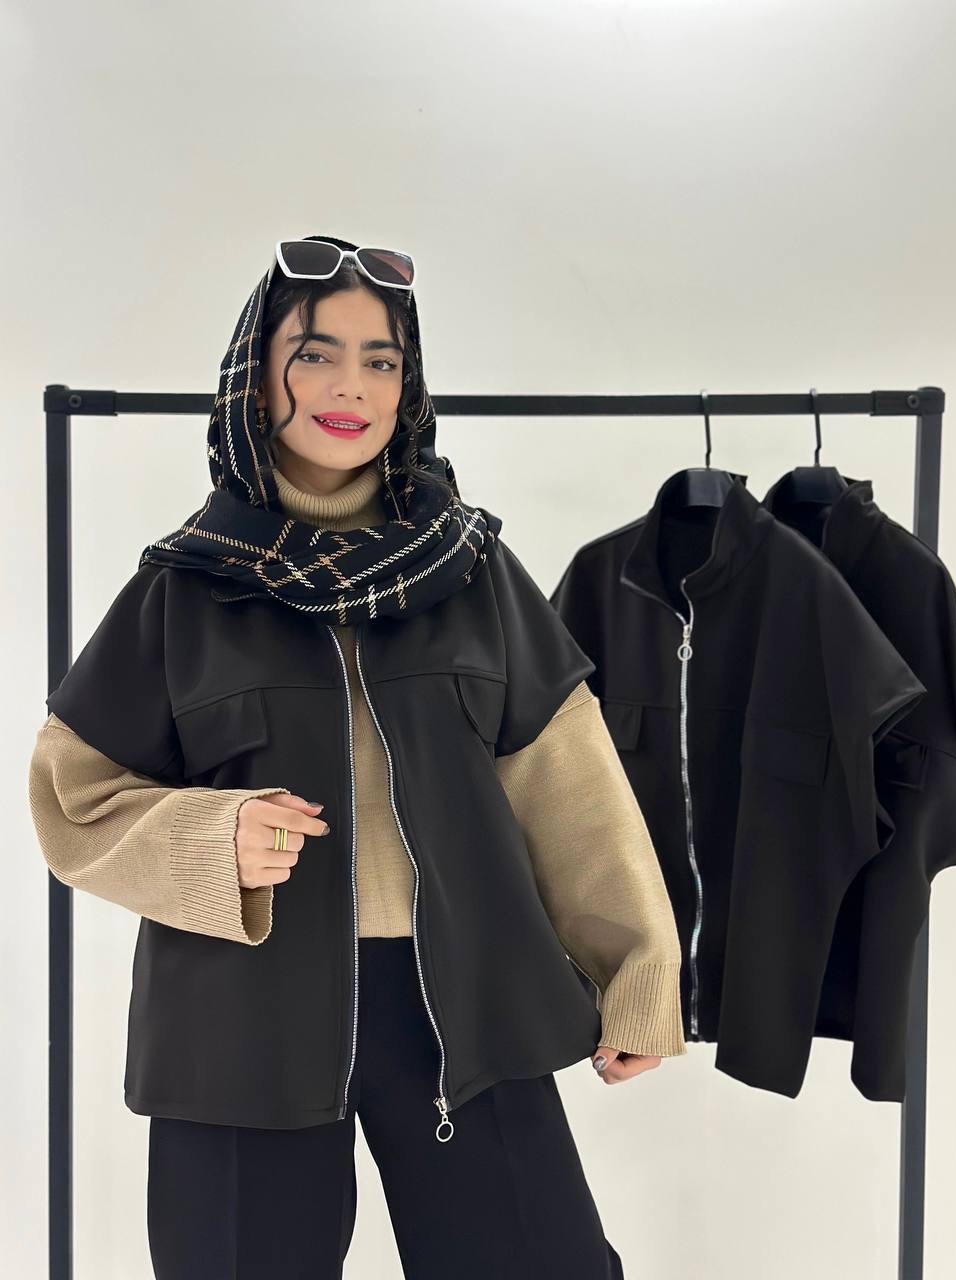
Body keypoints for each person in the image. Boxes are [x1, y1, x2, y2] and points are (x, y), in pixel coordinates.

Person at [29, 235, 686, 1278]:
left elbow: (570, 788)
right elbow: (74, 797)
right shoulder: (184, 589)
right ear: (257, 378)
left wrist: (638, 971)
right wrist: (211, 836)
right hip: (238, 1024)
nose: (353, 386)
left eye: (381, 360)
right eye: (316, 353)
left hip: (464, 1001)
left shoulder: (474, 572)